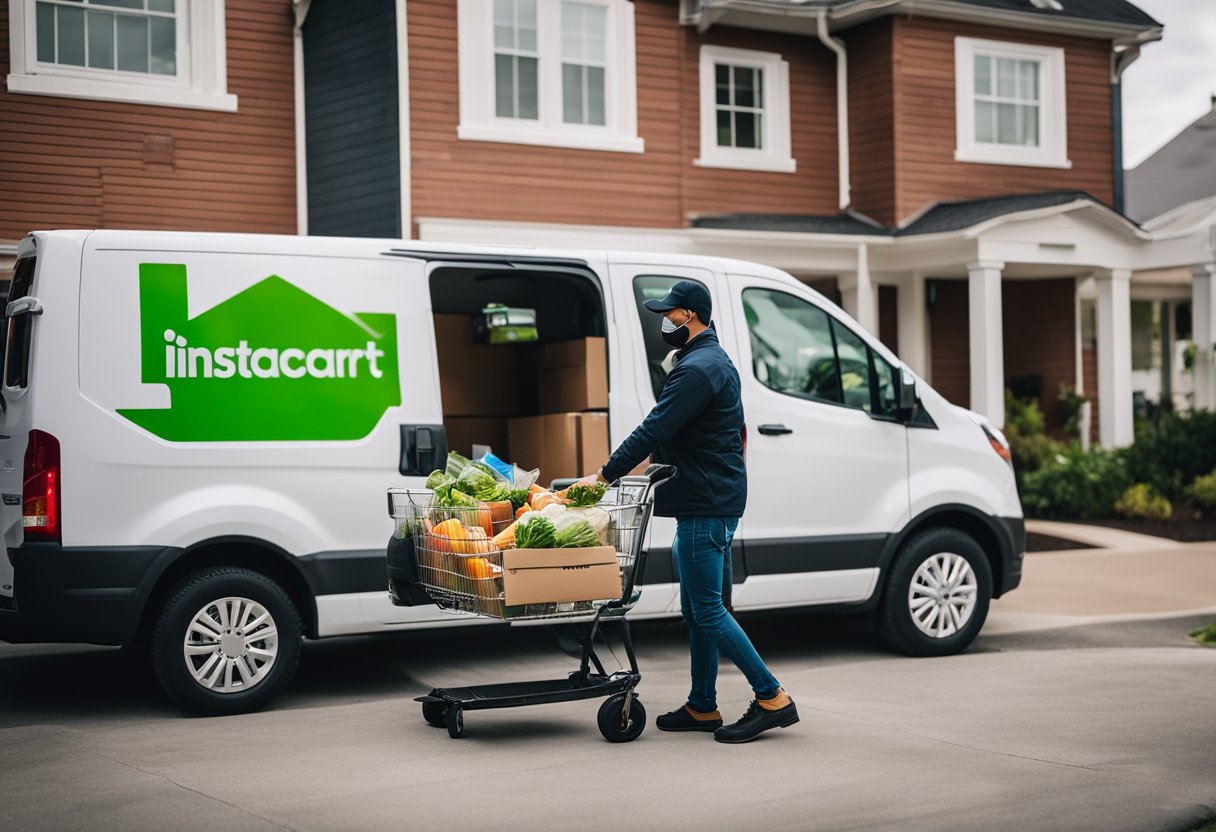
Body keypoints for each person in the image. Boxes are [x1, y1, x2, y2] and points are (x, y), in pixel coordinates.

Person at [577, 281, 798, 743]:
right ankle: (702, 706)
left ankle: (772, 697)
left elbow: (656, 426)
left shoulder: (699, 368)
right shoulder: (705, 362)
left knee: (708, 610)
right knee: (701, 611)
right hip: (708, 499)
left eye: (670, 313)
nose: (664, 321)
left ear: (690, 317)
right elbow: (680, 434)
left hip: (706, 505)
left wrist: (603, 476)